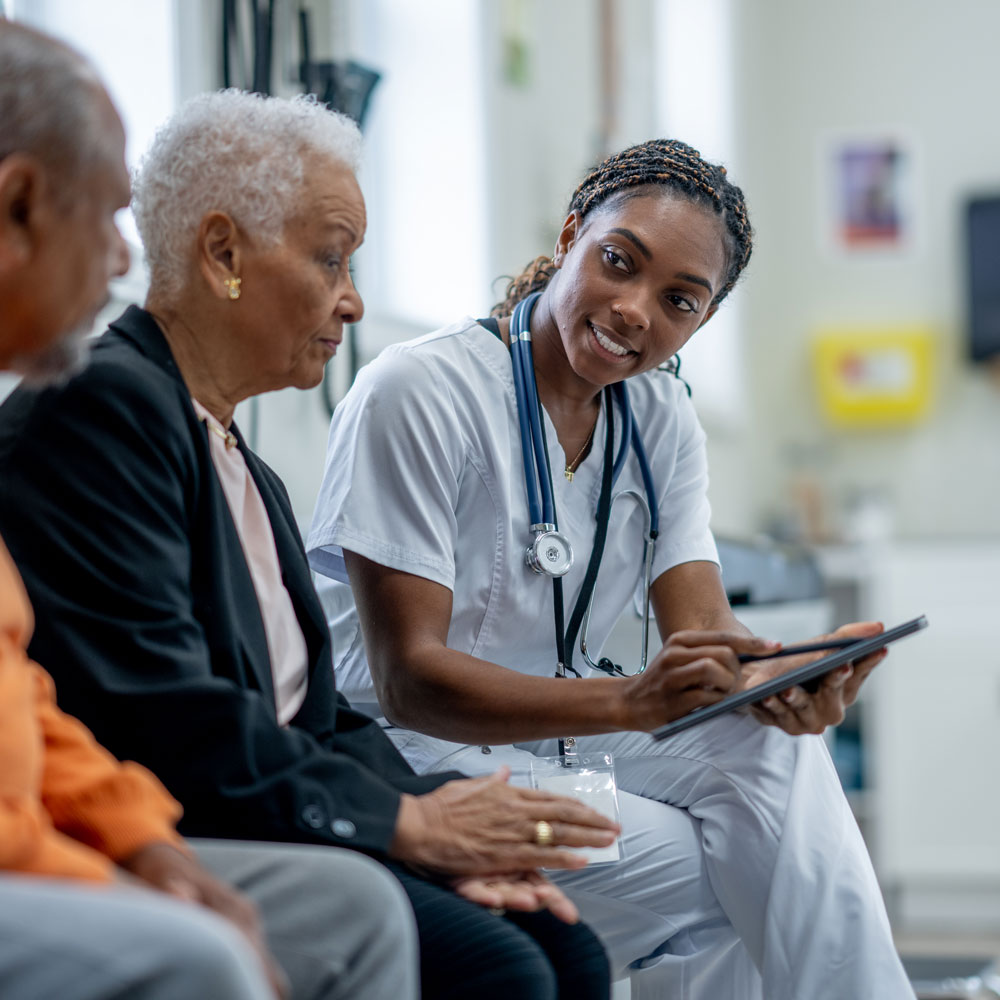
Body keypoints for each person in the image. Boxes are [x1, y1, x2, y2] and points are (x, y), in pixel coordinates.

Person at [0, 86, 617, 1000]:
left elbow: (317, 716)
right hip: (211, 810)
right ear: (223, 255)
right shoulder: (104, 405)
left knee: (564, 948)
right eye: (331, 259)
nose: (355, 301)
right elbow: (165, 710)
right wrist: (405, 829)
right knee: (502, 968)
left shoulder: (243, 460)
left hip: (270, 802)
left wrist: (432, 814)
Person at [304, 139, 917, 999]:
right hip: (411, 752)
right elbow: (409, 683)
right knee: (749, 866)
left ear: (701, 321)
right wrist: (629, 700)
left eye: (679, 301)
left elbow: (702, 632)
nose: (635, 311)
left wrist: (774, 676)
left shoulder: (659, 415)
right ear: (570, 238)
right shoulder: (420, 389)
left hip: (565, 731)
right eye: (618, 262)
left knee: (769, 753)